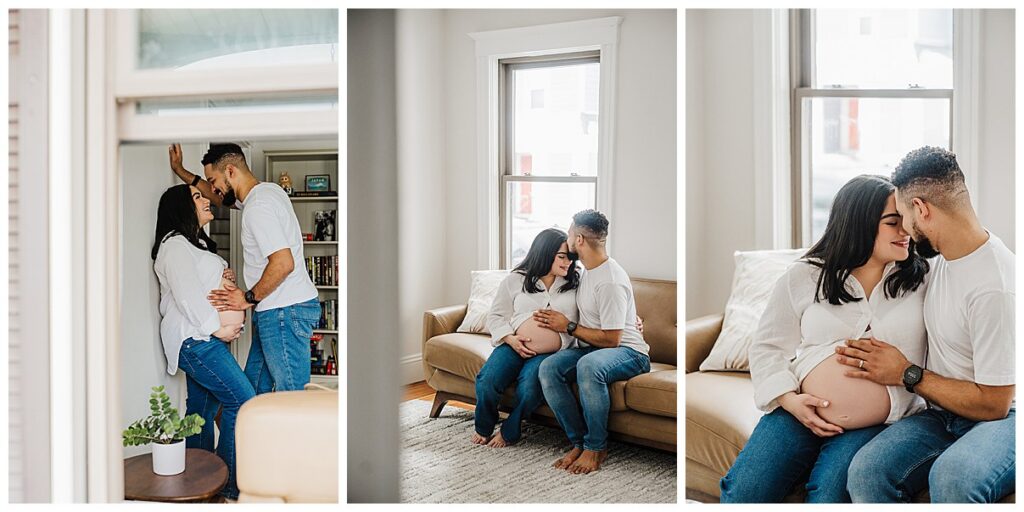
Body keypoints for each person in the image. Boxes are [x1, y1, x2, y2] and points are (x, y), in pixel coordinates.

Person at [719, 175, 930, 503]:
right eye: (893, 222)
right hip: (799, 408)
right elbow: (768, 345)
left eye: (907, 220)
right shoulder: (806, 276)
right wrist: (791, 401)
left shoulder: (923, 280)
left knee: (829, 492)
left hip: (878, 421)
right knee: (747, 489)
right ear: (858, 223)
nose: (905, 230)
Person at [839, 147, 1015, 503]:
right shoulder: (941, 260)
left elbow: (996, 403)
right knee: (867, 470)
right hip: (940, 414)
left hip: (1004, 420)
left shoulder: (995, 287)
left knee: (953, 477)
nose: (904, 229)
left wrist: (907, 373)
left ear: (921, 209)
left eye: (903, 216)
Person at [169, 143, 321, 393]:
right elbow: (220, 196)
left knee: (292, 396)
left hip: (283, 311)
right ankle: (251, 434)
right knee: (251, 394)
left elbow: (283, 263)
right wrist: (182, 171)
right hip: (276, 310)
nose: (213, 189)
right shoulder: (267, 192)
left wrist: (247, 298)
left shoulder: (257, 208)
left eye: (214, 179)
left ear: (230, 171)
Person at [152, 184, 254, 500]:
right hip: (196, 341)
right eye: (197, 197)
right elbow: (187, 297)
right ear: (181, 207)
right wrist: (217, 330)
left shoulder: (192, 244)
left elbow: (202, 287)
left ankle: (198, 488)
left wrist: (224, 278)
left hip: (202, 340)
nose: (206, 199)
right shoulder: (175, 246)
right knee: (244, 400)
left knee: (200, 412)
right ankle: (225, 487)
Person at [533, 209, 651, 474]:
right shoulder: (588, 269)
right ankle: (579, 442)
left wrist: (568, 326)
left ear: (580, 240)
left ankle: (596, 447)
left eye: (570, 233)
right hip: (594, 348)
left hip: (629, 352)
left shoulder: (608, 280)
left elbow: (613, 339)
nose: (567, 238)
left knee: (589, 366)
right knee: (549, 368)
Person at [473, 228, 580, 448]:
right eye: (562, 256)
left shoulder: (578, 282)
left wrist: (631, 316)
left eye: (570, 256)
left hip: (553, 352)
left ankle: (510, 431)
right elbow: (496, 315)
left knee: (529, 388)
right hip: (514, 344)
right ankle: (483, 426)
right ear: (544, 253)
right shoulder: (516, 279)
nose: (568, 262)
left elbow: (603, 301)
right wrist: (510, 339)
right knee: (487, 380)